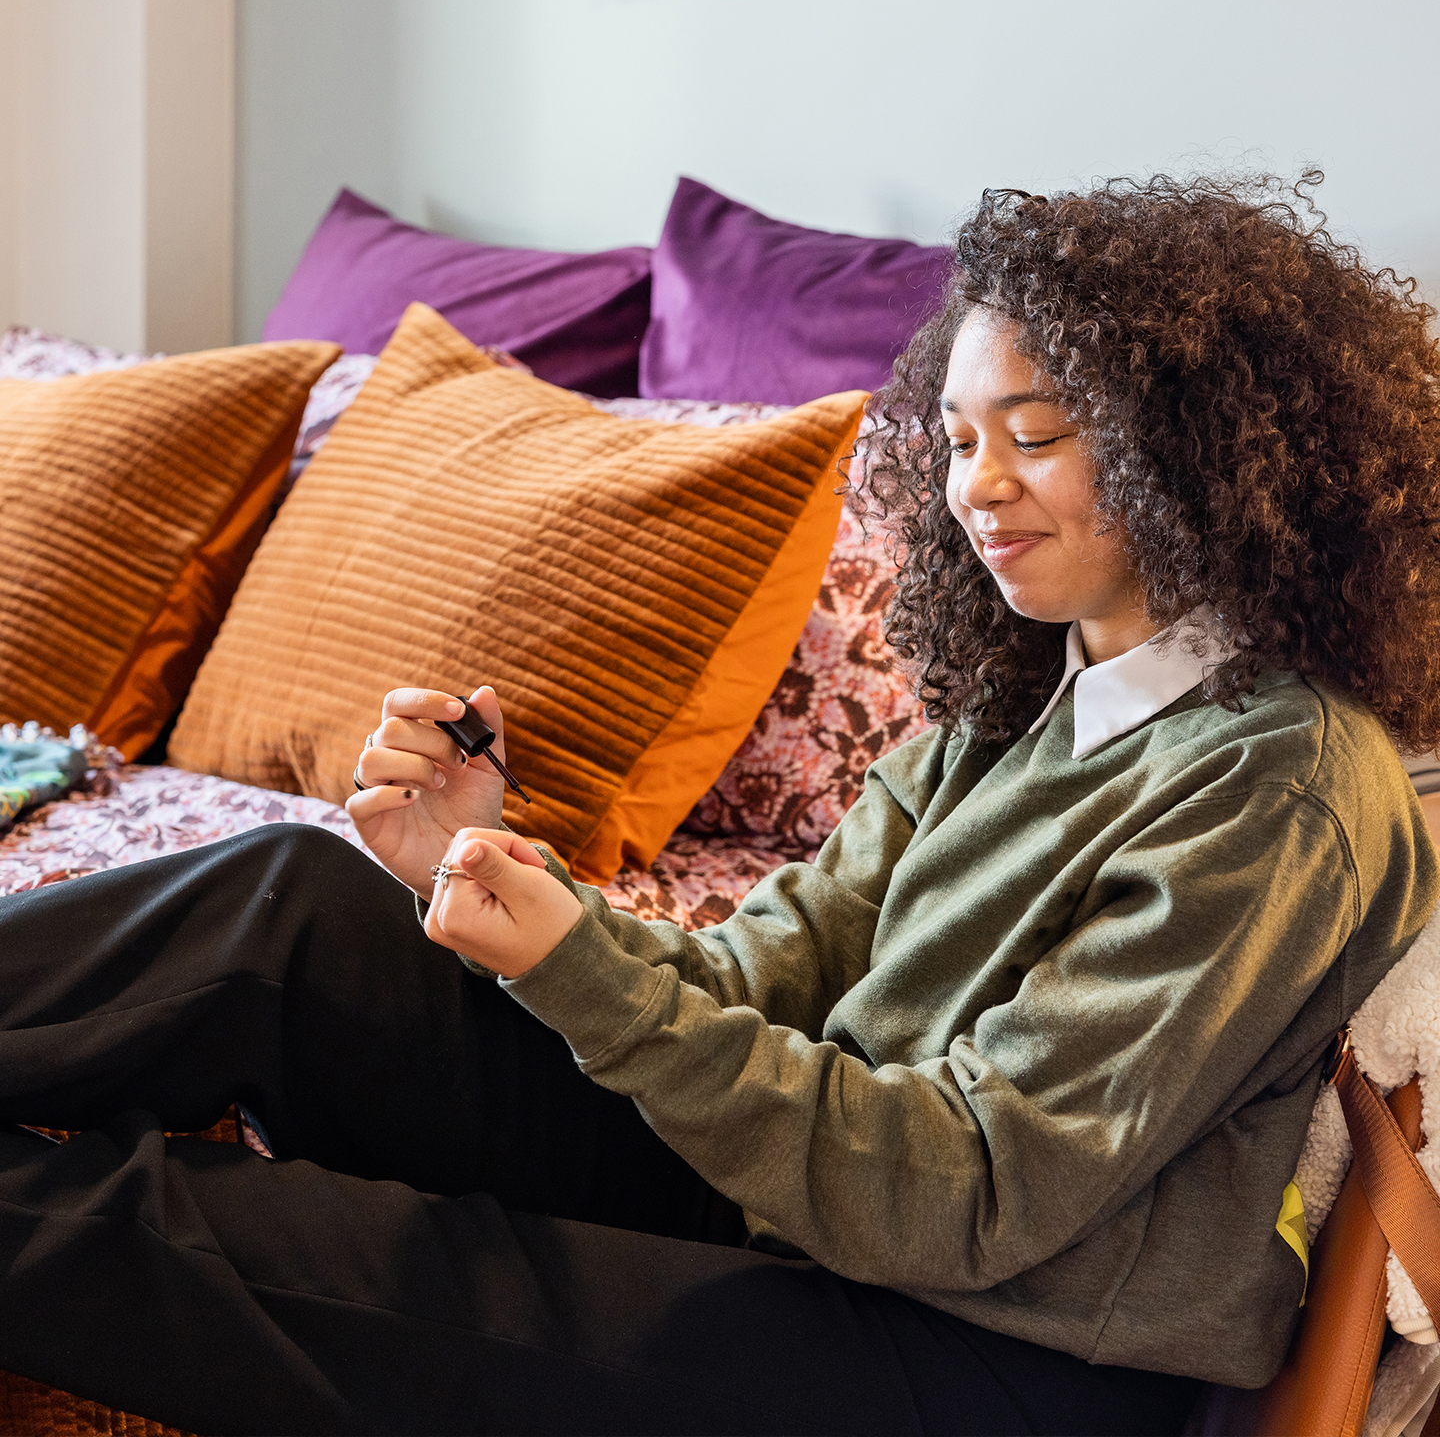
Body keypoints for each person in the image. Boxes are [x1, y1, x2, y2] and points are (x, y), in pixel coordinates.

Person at [2, 171, 1438, 1437]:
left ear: (1199, 450)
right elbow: (749, 979)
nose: (979, 489)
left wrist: (575, 968)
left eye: (1039, 433)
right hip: (807, 1197)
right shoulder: (1019, 710)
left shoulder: (1279, 784)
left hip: (987, 1352)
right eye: (953, 439)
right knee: (294, 899)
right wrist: (513, 877)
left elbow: (973, 1194)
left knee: (208, 1237)